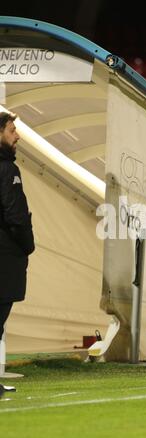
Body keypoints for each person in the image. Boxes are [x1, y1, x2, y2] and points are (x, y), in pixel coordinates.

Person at [0, 112, 35, 348]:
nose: (18, 136)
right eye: (12, 131)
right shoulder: (7, 170)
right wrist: (27, 244)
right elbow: (16, 216)